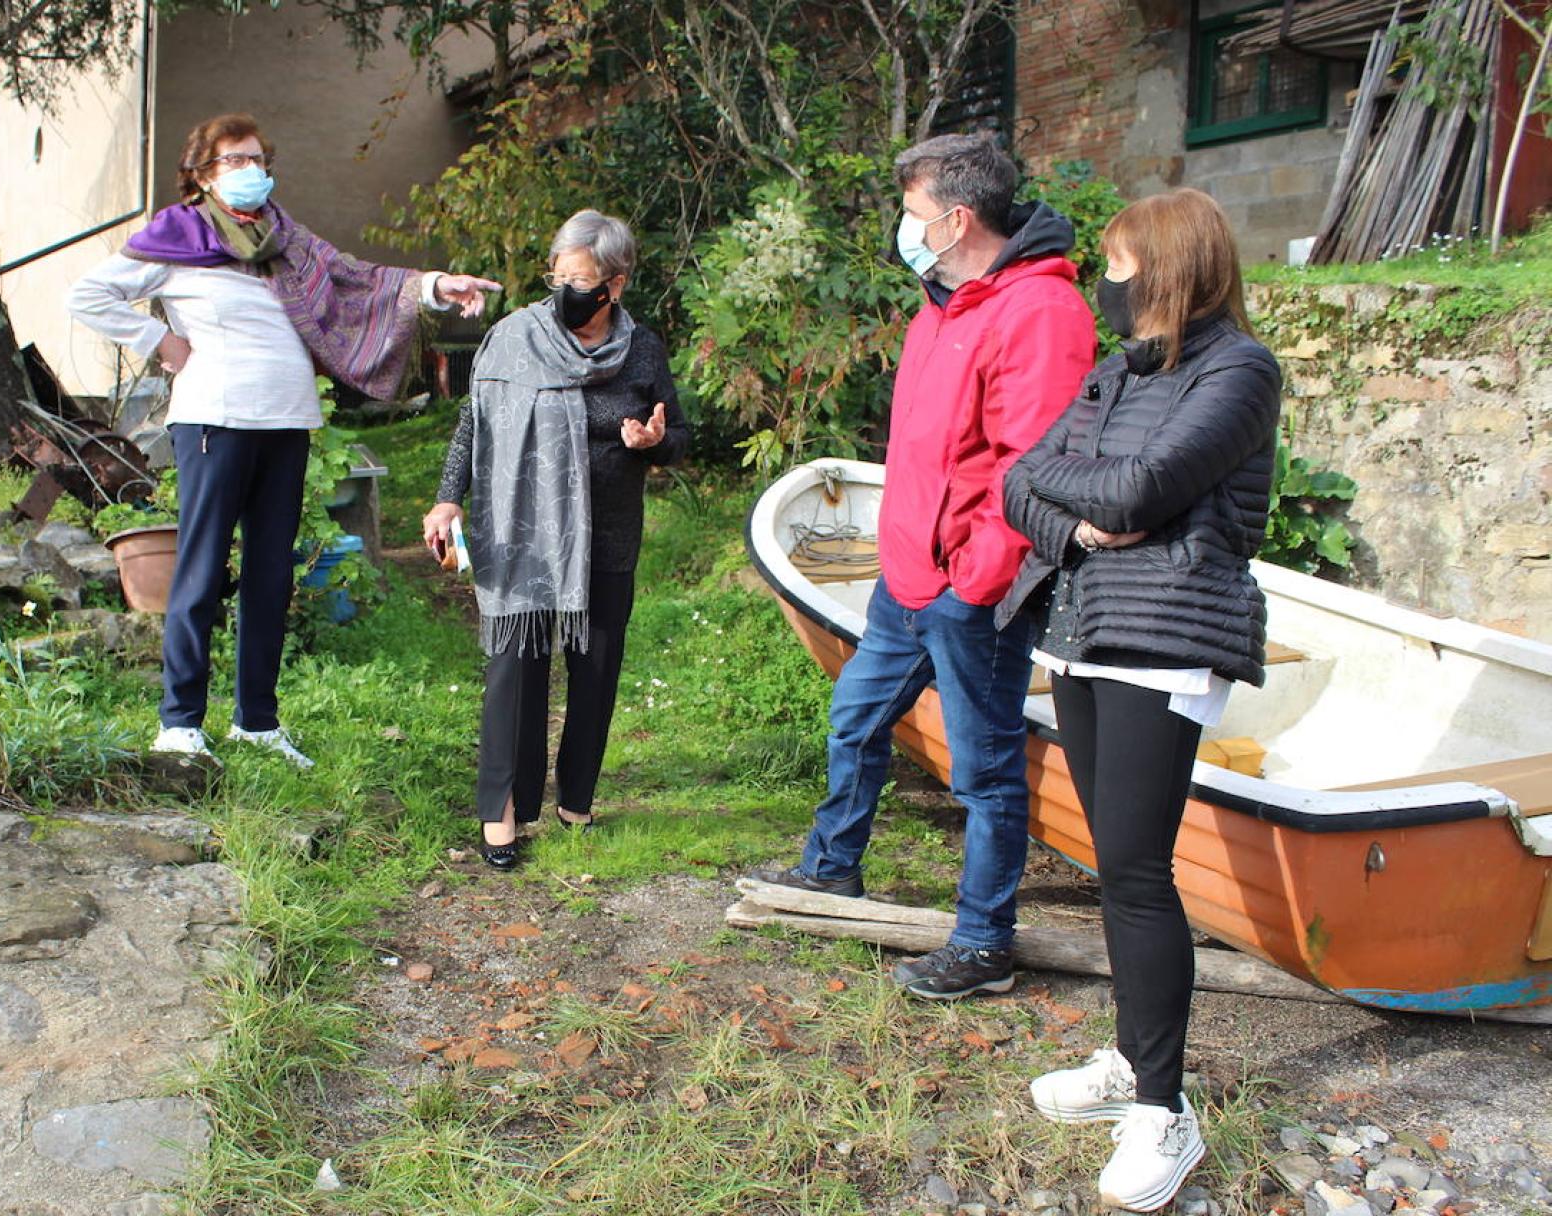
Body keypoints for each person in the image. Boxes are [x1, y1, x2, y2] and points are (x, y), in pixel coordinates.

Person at [751, 133, 1098, 999]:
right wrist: (912, 557)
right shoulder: (941, 302)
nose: (902, 231)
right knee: (855, 723)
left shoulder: (1041, 313)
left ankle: (984, 943)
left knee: (984, 772)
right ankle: (833, 868)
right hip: (906, 579)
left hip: (970, 590)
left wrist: (974, 575)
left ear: (955, 219)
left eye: (911, 215)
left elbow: (1034, 468)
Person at [998, 188, 1280, 1212]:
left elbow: (1139, 490)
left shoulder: (1241, 371)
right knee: (1111, 866)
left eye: (1118, 265)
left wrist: (1092, 494)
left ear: (1164, 268)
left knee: (1136, 866)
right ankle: (1129, 1058)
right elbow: (1024, 482)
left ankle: (1164, 1108)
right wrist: (1078, 527)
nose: (1106, 285)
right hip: (1081, 626)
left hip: (1165, 640)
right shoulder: (1118, 371)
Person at [68, 112, 499, 767]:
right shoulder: (176, 234)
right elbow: (89, 295)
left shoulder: (286, 240)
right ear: (203, 173)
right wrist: (161, 341)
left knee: (271, 574)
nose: (249, 172)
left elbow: (356, 280)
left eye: (257, 159)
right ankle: (180, 724)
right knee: (202, 570)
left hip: (288, 422)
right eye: (233, 161)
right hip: (215, 419)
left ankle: (257, 726)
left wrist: (437, 286)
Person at [423, 209, 688, 870]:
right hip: (524, 534)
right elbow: (475, 422)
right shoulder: (515, 337)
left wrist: (652, 445)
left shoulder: (643, 349)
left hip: (609, 532)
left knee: (594, 670)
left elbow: (679, 436)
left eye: (584, 279)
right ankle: (502, 811)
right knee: (515, 668)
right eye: (561, 276)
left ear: (616, 284)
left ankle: (577, 801)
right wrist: (448, 496)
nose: (569, 290)